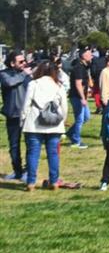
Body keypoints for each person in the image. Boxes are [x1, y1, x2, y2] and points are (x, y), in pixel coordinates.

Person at [20, 60, 68, 191]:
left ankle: (31, 182)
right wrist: (62, 120)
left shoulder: (33, 84)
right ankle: (54, 181)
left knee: (32, 154)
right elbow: (64, 107)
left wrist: (23, 119)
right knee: (53, 154)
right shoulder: (59, 86)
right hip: (54, 124)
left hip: (34, 124)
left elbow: (26, 105)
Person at [1, 51, 32, 181]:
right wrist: (24, 74)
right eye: (20, 61)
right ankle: (17, 171)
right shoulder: (4, 74)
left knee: (30, 144)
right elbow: (10, 83)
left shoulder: (28, 75)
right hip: (13, 114)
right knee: (14, 145)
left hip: (27, 114)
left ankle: (27, 170)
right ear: (12, 63)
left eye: (24, 61)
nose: (24, 63)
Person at [66, 46, 92, 149]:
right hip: (76, 97)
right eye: (89, 54)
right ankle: (76, 141)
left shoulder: (84, 66)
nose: (91, 56)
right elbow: (78, 84)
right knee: (80, 119)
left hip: (82, 96)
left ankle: (70, 133)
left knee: (86, 117)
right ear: (83, 56)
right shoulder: (78, 67)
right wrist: (82, 98)